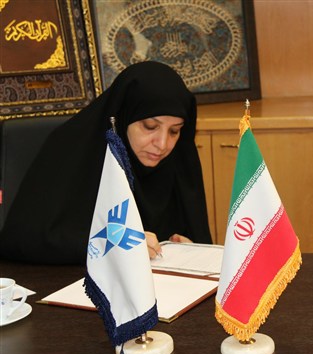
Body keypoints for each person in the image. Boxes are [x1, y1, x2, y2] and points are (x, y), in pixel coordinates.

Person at [0, 61, 212, 264]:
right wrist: (110, 242)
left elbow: (194, 237)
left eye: (174, 131)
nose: (163, 144)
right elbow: (22, 239)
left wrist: (191, 249)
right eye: (150, 126)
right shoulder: (71, 147)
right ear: (123, 117)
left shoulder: (178, 161)